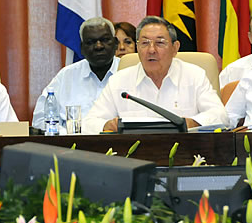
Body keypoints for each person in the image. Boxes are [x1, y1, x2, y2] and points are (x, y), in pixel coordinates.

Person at [82, 16, 229, 134]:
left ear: (175, 48)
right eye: (144, 43)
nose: (151, 50)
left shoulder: (194, 75)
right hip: (135, 160)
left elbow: (221, 116)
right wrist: (107, 124)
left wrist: (194, 122)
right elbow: (89, 124)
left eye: (160, 43)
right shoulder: (119, 81)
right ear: (137, 47)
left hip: (185, 157)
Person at [32, 17, 120, 131]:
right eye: (90, 42)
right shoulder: (66, 76)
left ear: (116, 43)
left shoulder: (129, 74)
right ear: (82, 48)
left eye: (105, 40)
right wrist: (67, 135)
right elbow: (40, 119)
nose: (99, 46)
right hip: (72, 146)